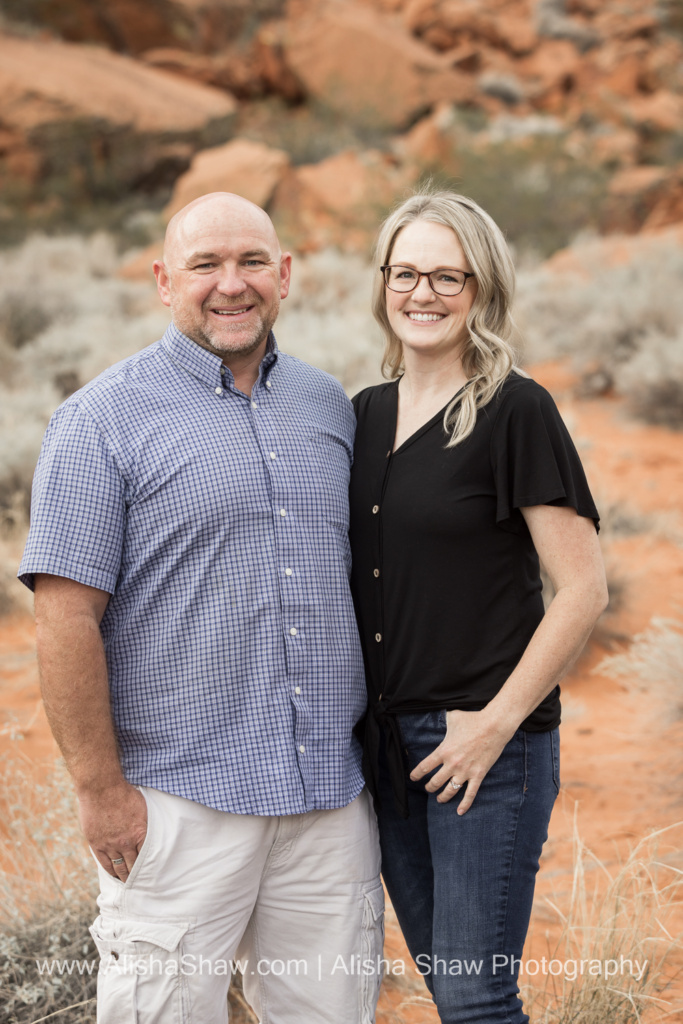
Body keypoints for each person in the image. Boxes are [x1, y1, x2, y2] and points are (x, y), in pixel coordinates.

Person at [18, 192, 383, 1024]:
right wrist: (100, 792)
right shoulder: (98, 422)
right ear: (162, 281)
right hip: (179, 803)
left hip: (326, 798)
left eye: (252, 262)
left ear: (284, 274)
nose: (231, 285)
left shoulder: (328, 407)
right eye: (204, 266)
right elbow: (64, 619)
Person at [349, 189, 608, 1024]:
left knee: (475, 995)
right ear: (382, 282)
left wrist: (492, 725)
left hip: (483, 748)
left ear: (481, 289)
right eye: (406, 273)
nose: (421, 294)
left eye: (446, 277)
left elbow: (582, 589)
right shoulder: (361, 416)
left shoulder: (514, 411)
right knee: (451, 990)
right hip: (386, 750)